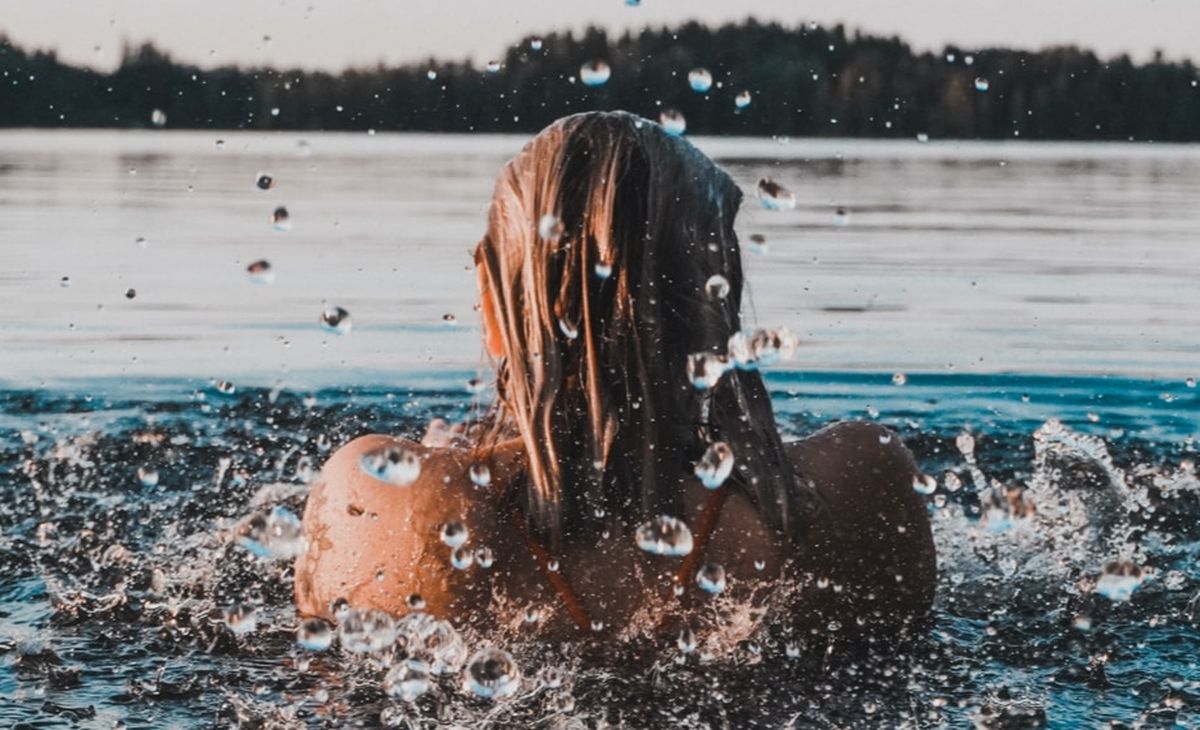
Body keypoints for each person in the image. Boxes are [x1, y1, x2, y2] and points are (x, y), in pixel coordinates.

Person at [294, 111, 936, 641]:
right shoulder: (863, 487)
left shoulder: (384, 498)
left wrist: (444, 464)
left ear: (494, 309)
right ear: (721, 304)